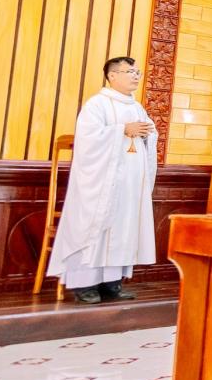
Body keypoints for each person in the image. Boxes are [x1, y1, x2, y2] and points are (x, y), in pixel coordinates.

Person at [46, 57, 157, 304]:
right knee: (95, 227)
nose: (135, 76)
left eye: (137, 72)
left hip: (128, 184)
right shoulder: (97, 104)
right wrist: (121, 130)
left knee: (123, 228)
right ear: (112, 76)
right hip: (100, 183)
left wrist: (148, 133)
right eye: (129, 71)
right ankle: (84, 284)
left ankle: (112, 283)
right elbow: (87, 139)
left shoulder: (137, 107)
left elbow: (147, 135)